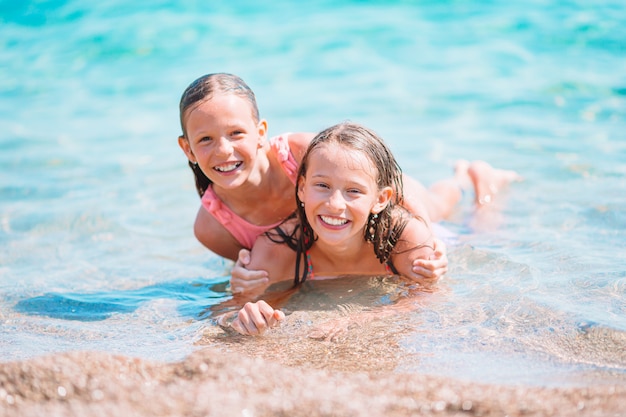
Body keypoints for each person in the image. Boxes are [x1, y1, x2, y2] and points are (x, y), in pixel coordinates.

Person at [223, 122, 521, 336]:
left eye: (353, 191)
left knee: (471, 222)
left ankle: (475, 180)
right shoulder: (278, 248)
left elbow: (429, 297)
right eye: (322, 186)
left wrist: (360, 319)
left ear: (381, 199)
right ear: (301, 188)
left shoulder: (404, 238)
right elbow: (230, 309)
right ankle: (459, 176)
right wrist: (245, 314)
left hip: (417, 220)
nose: (335, 204)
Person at [177, 73, 455, 281]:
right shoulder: (211, 228)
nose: (224, 150)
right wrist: (246, 281)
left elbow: (389, 183)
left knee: (441, 206)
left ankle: (465, 179)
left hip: (397, 197)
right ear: (187, 149)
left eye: (236, 133)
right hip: (333, 243)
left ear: (261, 133)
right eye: (205, 139)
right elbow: (272, 267)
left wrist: (429, 246)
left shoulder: (299, 153)